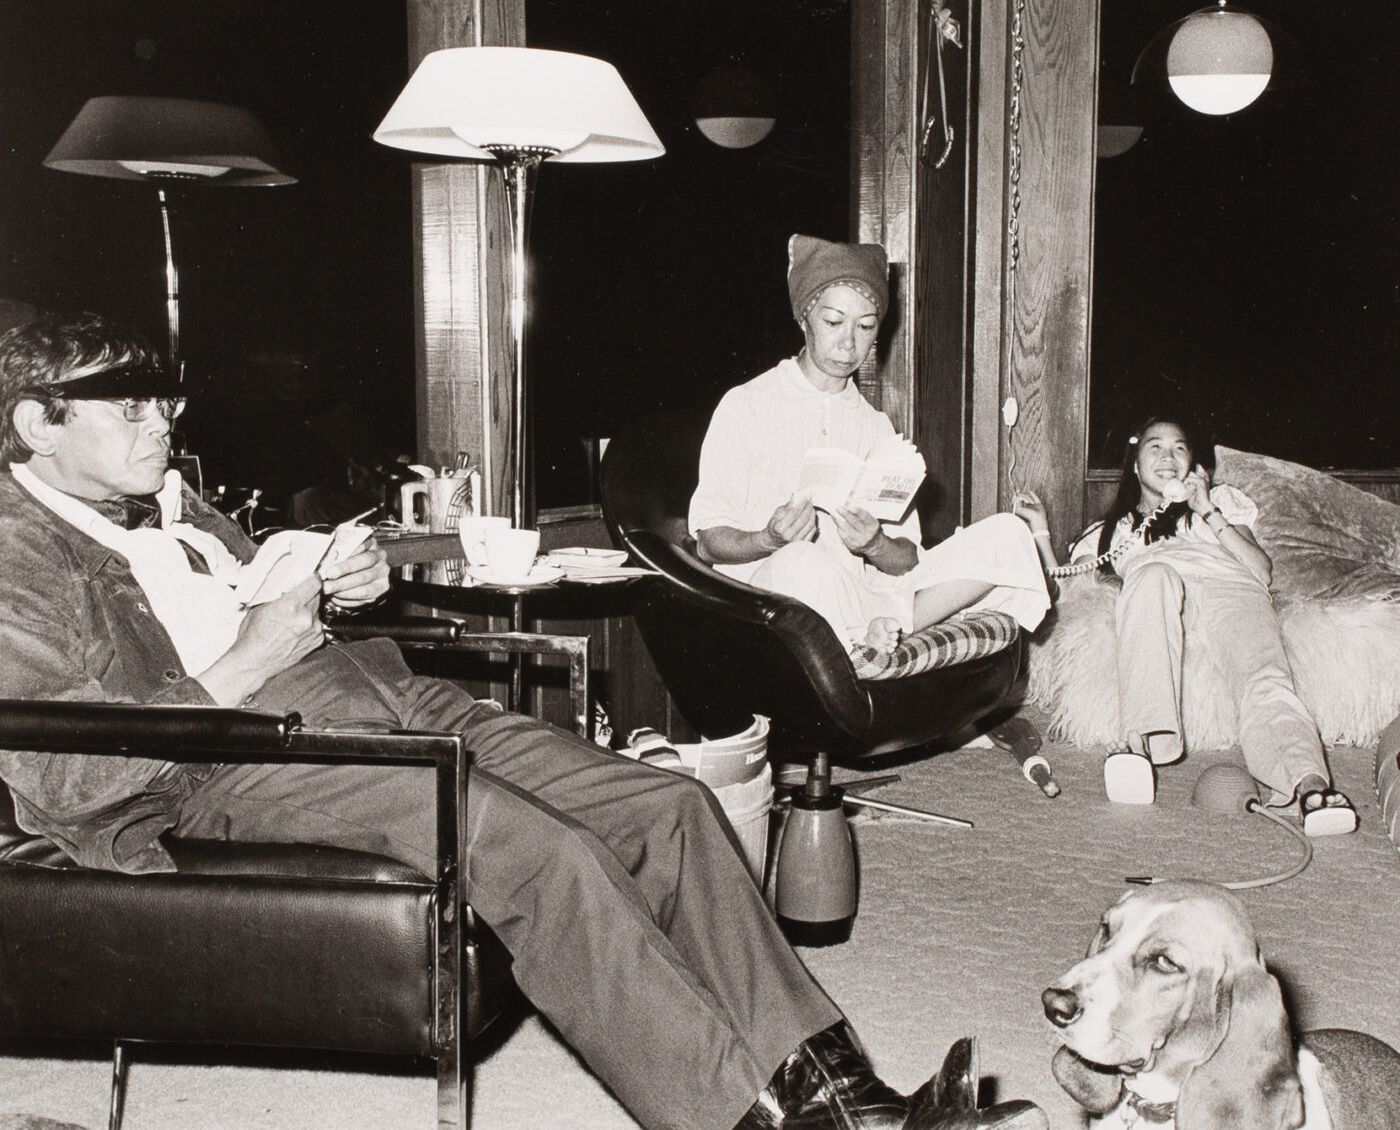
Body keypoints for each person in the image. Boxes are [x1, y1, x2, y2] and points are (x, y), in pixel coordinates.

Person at [0, 311, 1048, 1130]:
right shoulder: (16, 556)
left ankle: (841, 1090)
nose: (162, 426)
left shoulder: (166, 496)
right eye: (127, 411)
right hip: (230, 762)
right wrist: (254, 656)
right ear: (37, 424)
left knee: (666, 803)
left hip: (370, 693)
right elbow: (74, 772)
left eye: (162, 405)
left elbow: (239, 590)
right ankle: (738, 1117)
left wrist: (341, 583)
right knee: (544, 856)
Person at [689, 234, 1051, 659]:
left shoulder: (875, 426)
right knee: (801, 560)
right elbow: (709, 542)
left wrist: (874, 543)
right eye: (833, 322)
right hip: (774, 596)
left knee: (1008, 534)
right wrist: (768, 537)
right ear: (804, 317)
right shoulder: (747, 404)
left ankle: (871, 633)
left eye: (865, 327)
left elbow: (908, 561)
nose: (849, 343)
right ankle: (861, 646)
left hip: (866, 594)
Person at [1021, 416, 1356, 834]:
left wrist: (1207, 510)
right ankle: (1140, 745)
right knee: (1152, 575)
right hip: (1157, 594)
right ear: (1136, 464)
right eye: (1155, 447)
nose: (1168, 457)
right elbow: (1062, 593)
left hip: (1230, 590)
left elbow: (1261, 570)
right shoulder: (1110, 533)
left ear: (1192, 464)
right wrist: (1040, 531)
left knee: (1264, 679)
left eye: (1179, 448)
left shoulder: (1223, 503)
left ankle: (1309, 786)